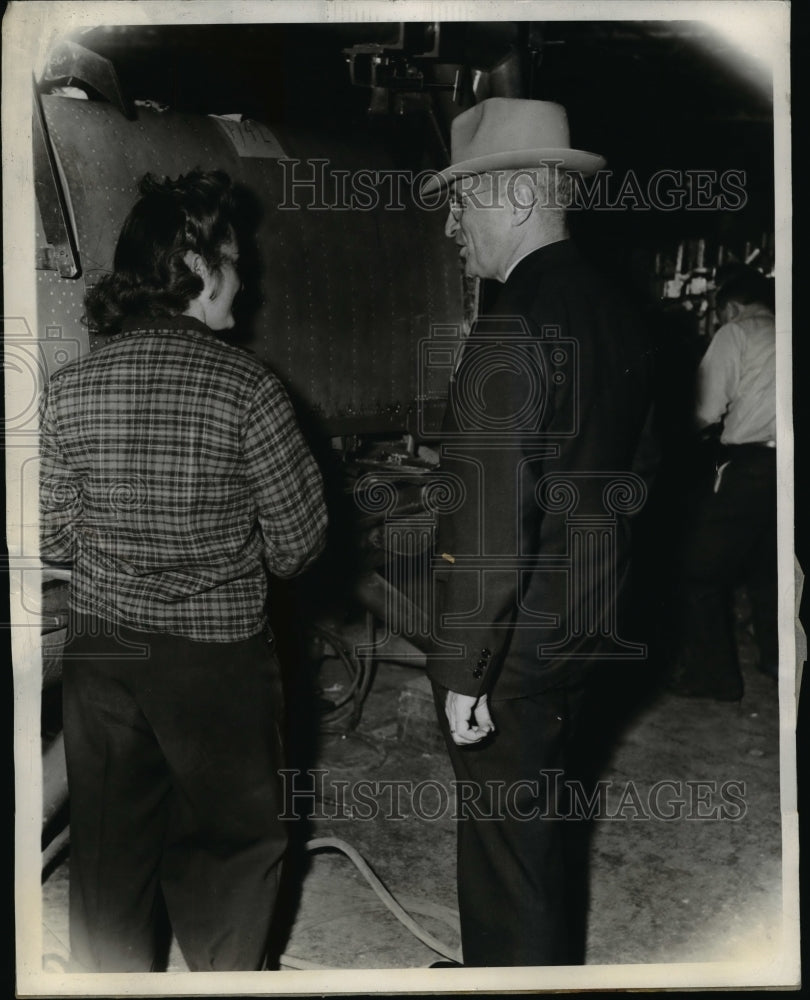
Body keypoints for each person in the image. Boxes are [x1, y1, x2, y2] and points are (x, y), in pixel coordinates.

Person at [39, 170, 328, 972]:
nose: (248, 277)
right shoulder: (251, 389)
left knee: (106, 856)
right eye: (237, 260)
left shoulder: (69, 390)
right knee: (234, 851)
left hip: (103, 656)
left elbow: (52, 535)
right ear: (198, 269)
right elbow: (299, 545)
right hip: (218, 661)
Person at [421, 99, 654, 966]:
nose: (452, 224)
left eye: (462, 201)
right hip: (587, 622)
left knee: (506, 852)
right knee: (543, 828)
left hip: (516, 645)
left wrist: (464, 669)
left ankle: (507, 975)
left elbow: (490, 515)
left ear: (516, 198)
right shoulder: (616, 312)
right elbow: (643, 473)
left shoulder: (510, 325)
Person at [668, 265, 777, 699]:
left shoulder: (737, 332)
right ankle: (777, 659)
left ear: (730, 306)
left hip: (752, 467)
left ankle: (712, 675)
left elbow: (707, 408)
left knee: (698, 569)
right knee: (771, 569)